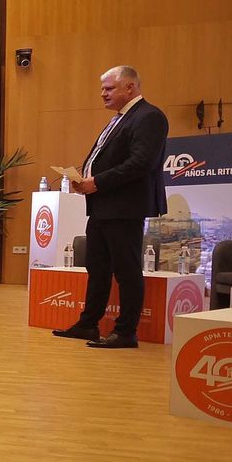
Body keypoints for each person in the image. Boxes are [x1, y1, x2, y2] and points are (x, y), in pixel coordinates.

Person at [54, 65, 170, 349]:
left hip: (125, 207)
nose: (103, 94)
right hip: (103, 205)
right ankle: (88, 324)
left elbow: (141, 163)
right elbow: (105, 157)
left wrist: (97, 182)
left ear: (130, 87)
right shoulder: (120, 119)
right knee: (97, 267)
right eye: (102, 89)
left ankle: (126, 332)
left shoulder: (149, 116)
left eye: (109, 88)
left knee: (126, 270)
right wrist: (84, 180)